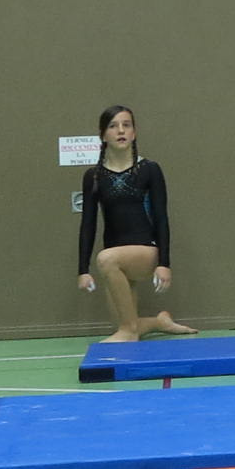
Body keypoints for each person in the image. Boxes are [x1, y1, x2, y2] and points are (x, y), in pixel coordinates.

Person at [76, 106, 196, 340]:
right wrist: (83, 270)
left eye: (126, 125)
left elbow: (161, 217)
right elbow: (88, 224)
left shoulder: (149, 170)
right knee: (125, 322)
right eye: (113, 126)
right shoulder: (94, 176)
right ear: (103, 135)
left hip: (145, 251)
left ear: (134, 132)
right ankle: (159, 322)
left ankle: (129, 333)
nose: (121, 130)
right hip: (116, 257)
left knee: (107, 261)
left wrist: (164, 263)